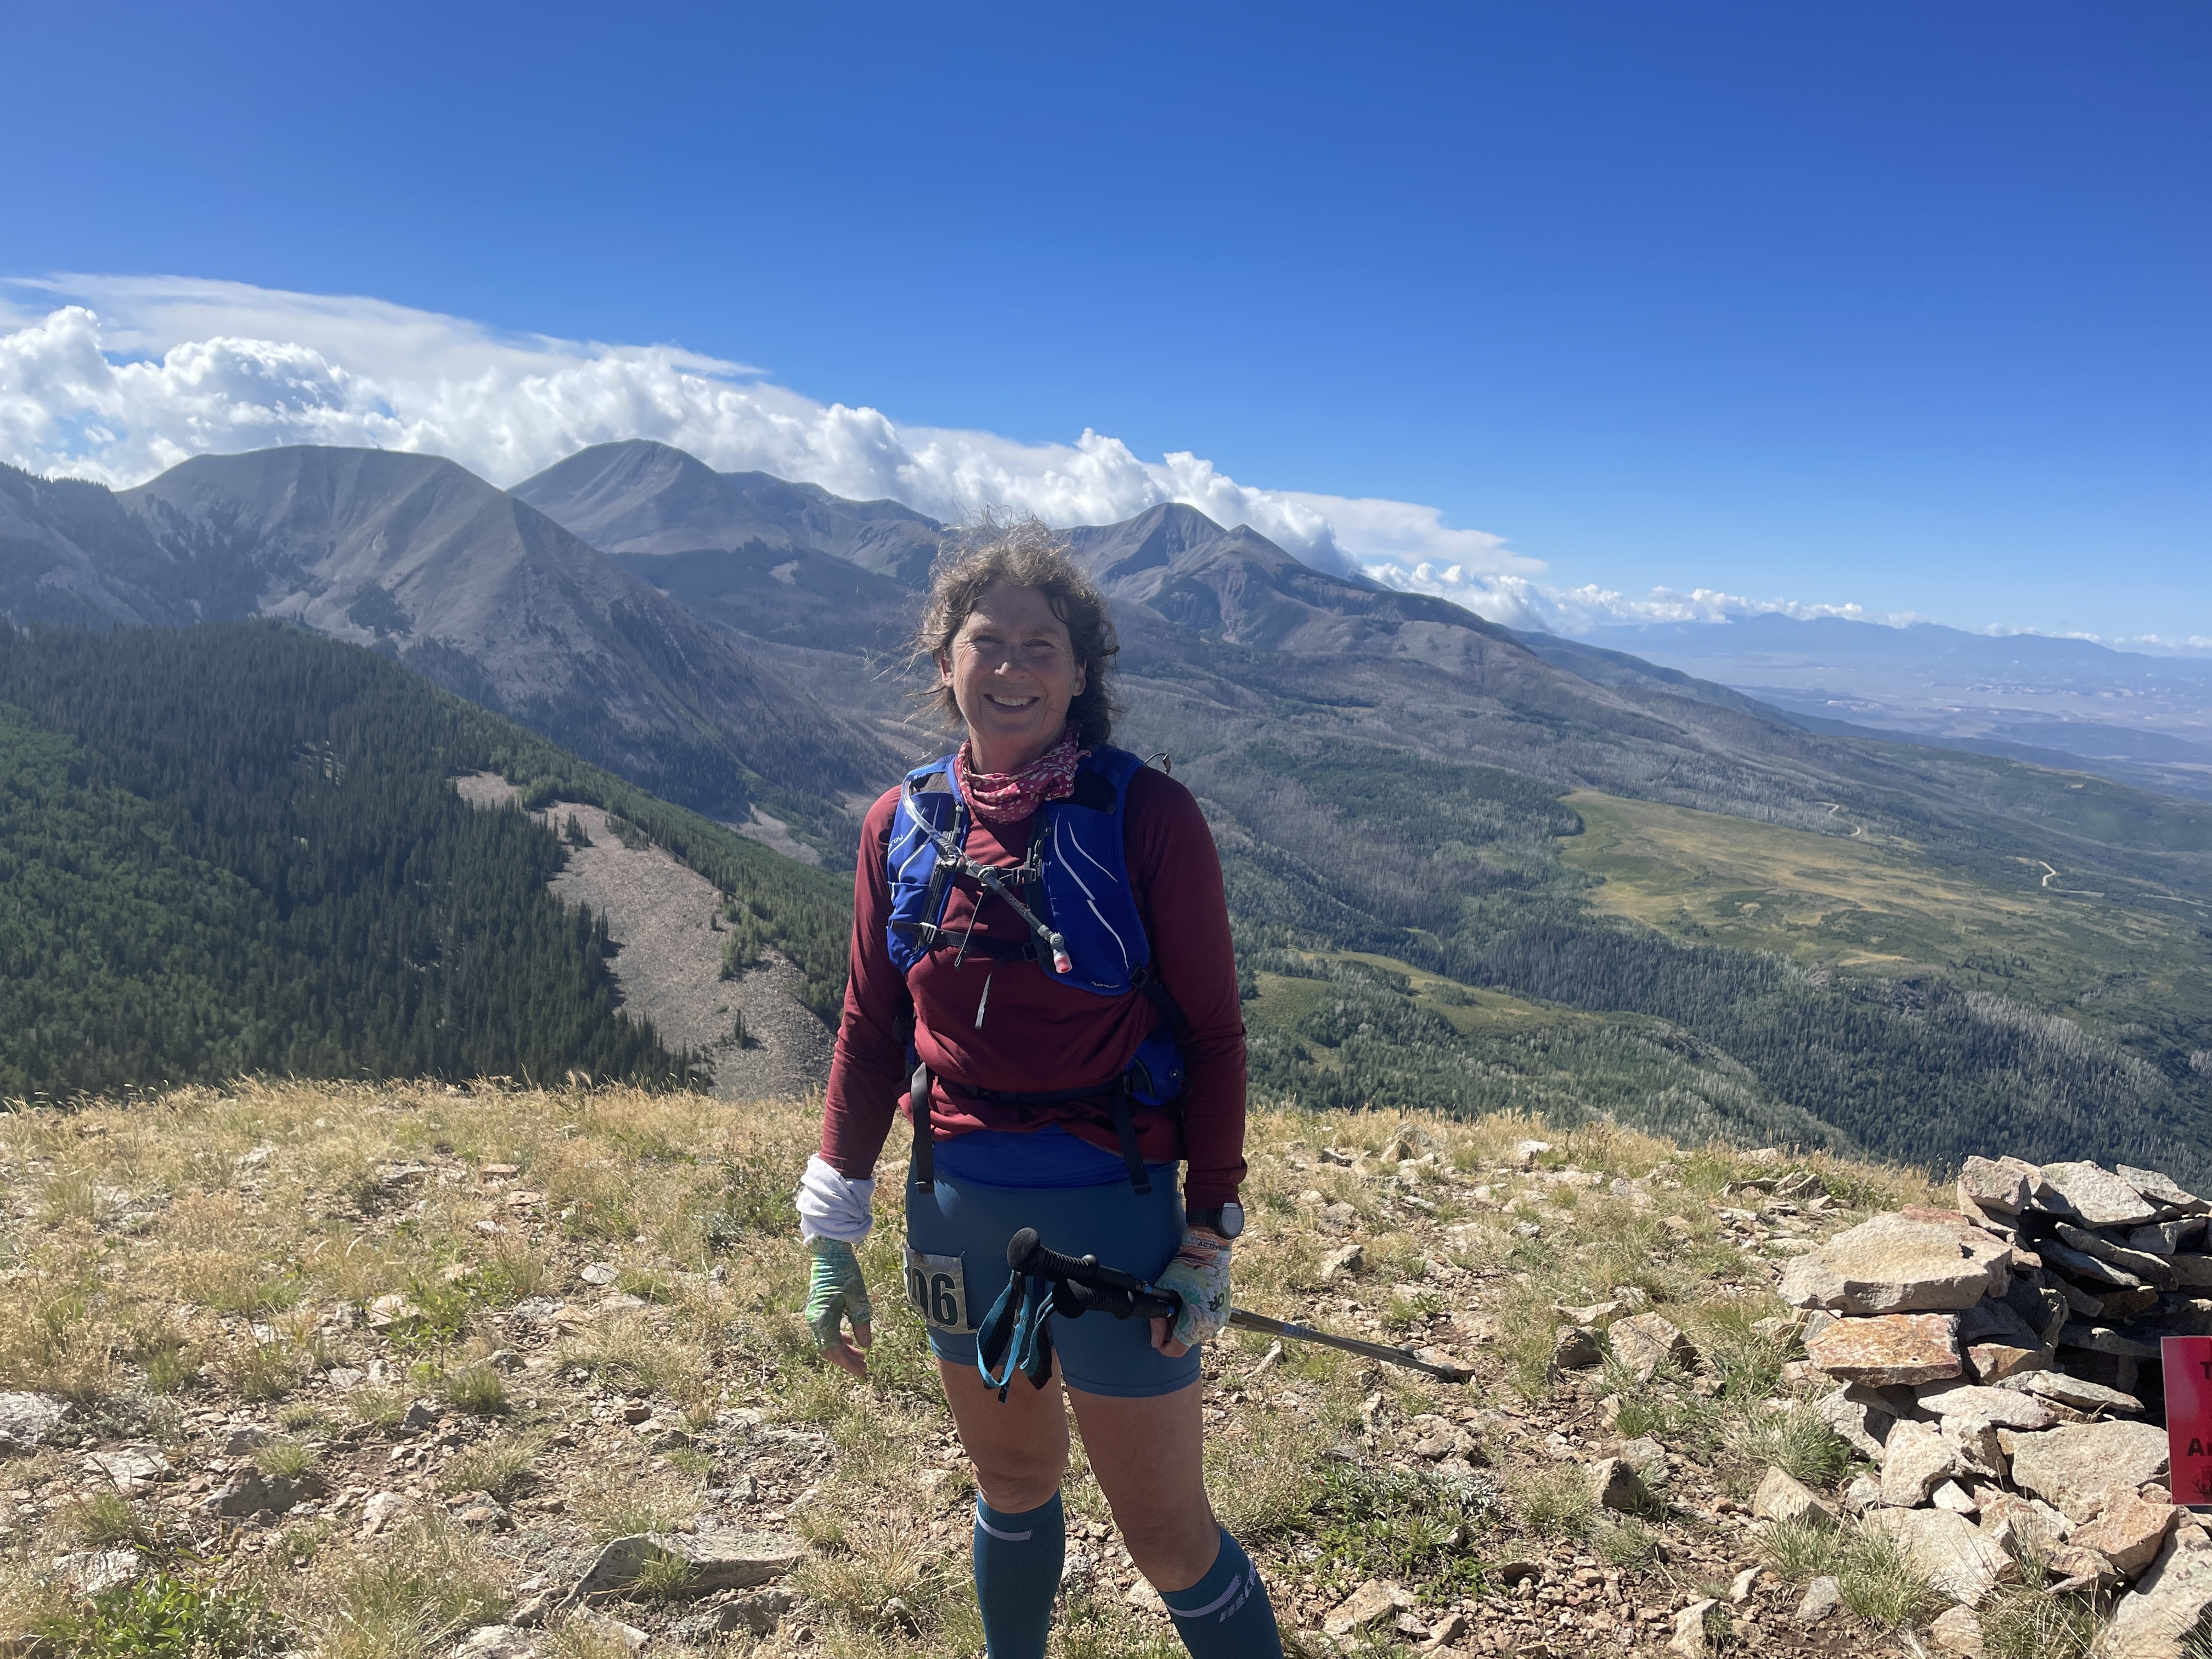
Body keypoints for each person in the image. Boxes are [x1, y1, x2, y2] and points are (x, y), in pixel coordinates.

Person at [794, 520, 1283, 1659]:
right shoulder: (899, 825)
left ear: (1079, 672)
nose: (1011, 668)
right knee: (1012, 1483)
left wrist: (1209, 1228)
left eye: (1040, 644)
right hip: (957, 1206)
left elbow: (1213, 1034)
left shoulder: (1146, 816)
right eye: (986, 641)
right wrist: (835, 1232)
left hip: (1116, 1211)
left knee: (1166, 1536)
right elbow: (872, 1030)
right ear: (944, 660)